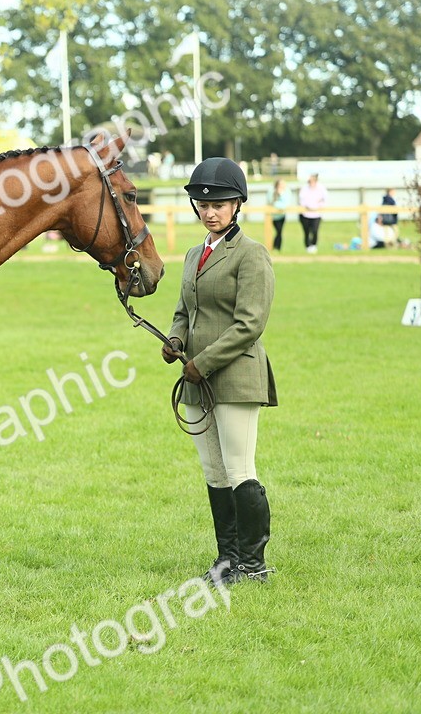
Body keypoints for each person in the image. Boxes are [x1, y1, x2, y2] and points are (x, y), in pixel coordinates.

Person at [162, 157, 277, 586]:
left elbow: (250, 324)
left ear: (237, 205)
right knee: (214, 473)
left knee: (239, 469)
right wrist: (175, 340)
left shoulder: (251, 255)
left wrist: (202, 362)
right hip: (196, 379)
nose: (210, 211)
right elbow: (183, 311)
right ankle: (227, 561)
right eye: (202, 204)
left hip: (234, 377)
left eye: (221, 204)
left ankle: (253, 564)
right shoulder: (194, 254)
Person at [298, 173, 326, 253]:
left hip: (316, 214)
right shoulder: (305, 188)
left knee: (315, 230)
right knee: (306, 231)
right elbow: (301, 200)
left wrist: (318, 206)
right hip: (305, 213)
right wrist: (307, 206)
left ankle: (313, 245)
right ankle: (307, 246)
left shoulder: (321, 188)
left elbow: (324, 199)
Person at [266, 179, 290, 251]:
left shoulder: (286, 191)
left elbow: (286, 203)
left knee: (279, 232)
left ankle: (277, 247)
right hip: (272, 216)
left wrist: (281, 194)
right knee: (277, 231)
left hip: (282, 215)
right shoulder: (271, 191)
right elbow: (271, 202)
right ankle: (274, 247)